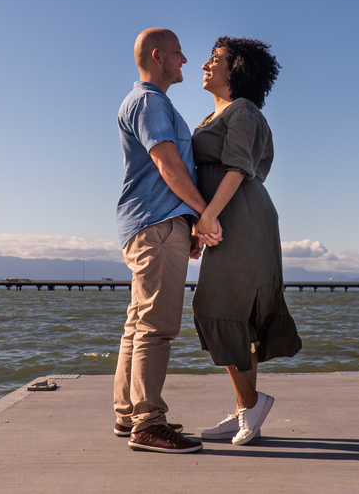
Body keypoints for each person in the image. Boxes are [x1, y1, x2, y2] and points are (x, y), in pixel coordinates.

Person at [113, 28, 221, 454]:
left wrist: (187, 222)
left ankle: (130, 415)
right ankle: (148, 423)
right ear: (158, 56)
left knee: (138, 326)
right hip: (156, 225)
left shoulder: (149, 102)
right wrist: (202, 214)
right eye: (178, 53)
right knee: (156, 327)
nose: (185, 61)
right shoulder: (149, 102)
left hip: (152, 223)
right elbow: (167, 162)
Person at [191, 36, 301, 446]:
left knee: (219, 307)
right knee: (233, 313)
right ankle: (246, 410)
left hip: (242, 217)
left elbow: (239, 169)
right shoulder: (213, 115)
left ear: (236, 70)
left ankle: (251, 404)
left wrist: (207, 217)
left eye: (215, 59)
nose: (206, 64)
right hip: (228, 216)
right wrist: (204, 218)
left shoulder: (244, 110)